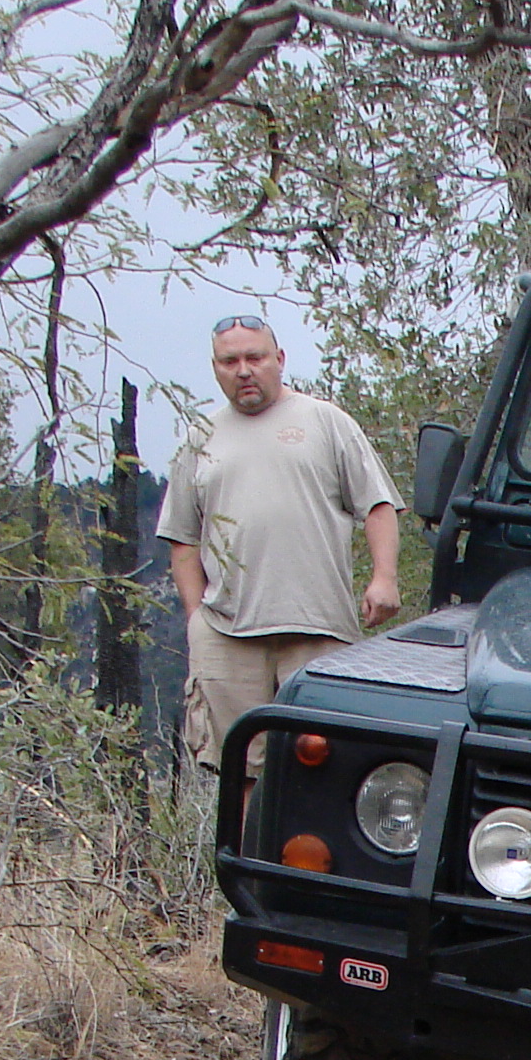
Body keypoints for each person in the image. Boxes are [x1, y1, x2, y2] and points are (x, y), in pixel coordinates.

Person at [158, 313, 403, 772]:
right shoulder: (200, 438)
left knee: (326, 770)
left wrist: (384, 578)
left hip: (319, 630)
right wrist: (196, 622)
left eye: (255, 358)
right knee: (239, 774)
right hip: (228, 636)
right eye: (230, 361)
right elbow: (183, 539)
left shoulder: (326, 421)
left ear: (280, 359)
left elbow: (377, 505)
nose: (244, 371)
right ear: (215, 368)